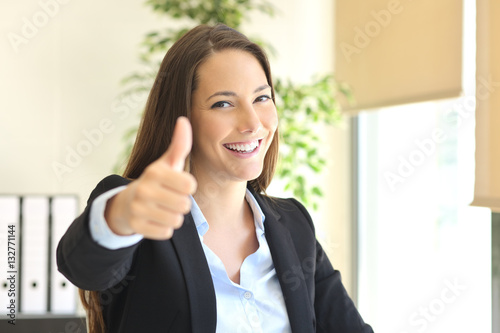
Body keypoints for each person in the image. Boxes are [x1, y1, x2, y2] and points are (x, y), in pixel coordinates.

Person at [57, 23, 373, 333]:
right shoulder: (140, 215)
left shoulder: (294, 225)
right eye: (223, 103)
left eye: (261, 98)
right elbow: (82, 267)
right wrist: (120, 217)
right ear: (183, 118)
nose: (252, 123)